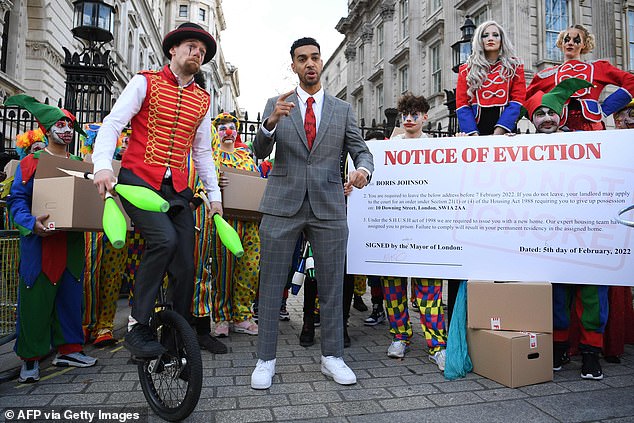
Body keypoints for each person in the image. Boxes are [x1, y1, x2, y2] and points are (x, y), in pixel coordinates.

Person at [91, 22, 223, 358]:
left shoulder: (202, 100)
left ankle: (174, 339)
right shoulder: (144, 82)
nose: (198, 53)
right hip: (138, 181)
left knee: (186, 266)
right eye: (192, 46)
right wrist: (103, 165)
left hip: (177, 190)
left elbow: (203, 152)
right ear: (173, 50)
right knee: (163, 240)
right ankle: (138, 324)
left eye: (203, 51)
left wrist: (215, 197)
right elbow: (112, 124)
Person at [250, 37, 373, 390]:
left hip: (329, 205)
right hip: (281, 204)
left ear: (321, 63)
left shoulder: (342, 109)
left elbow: (361, 152)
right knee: (271, 284)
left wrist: (363, 171)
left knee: (333, 285)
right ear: (293, 66)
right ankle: (265, 359)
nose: (309, 63)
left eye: (314, 58)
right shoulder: (278, 104)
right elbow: (259, 151)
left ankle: (332, 357)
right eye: (301, 59)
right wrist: (270, 122)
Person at [5, 94, 96, 383]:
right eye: (60, 125)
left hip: (70, 244)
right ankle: (30, 358)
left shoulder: (81, 164)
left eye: (70, 125)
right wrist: (31, 223)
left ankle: (68, 349)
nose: (67, 130)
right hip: (39, 244)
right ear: (47, 130)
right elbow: (16, 200)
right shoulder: (30, 163)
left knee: (70, 297)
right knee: (35, 299)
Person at [524, 77, 609, 379]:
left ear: (560, 116)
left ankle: (590, 354)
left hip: (586, 232)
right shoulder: (522, 150)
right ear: (532, 119)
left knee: (591, 294)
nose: (546, 119)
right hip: (547, 236)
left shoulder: (587, 143)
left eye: (551, 113)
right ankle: (558, 349)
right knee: (555, 295)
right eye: (540, 114)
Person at [379, 93, 447, 371]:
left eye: (414, 114)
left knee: (429, 290)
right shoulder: (387, 149)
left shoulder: (436, 149)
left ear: (425, 117)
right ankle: (399, 336)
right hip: (395, 228)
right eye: (405, 114)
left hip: (426, 230)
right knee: (393, 288)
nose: (408, 119)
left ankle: (437, 345)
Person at [526, 24, 634, 131]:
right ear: (561, 42)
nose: (570, 43)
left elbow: (631, 81)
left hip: (592, 128)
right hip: (560, 129)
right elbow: (524, 100)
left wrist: (605, 109)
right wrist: (541, 120)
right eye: (566, 39)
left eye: (576, 40)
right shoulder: (546, 75)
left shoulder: (599, 68)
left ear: (584, 44)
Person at [209, 112, 260, 338]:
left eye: (231, 128)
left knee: (250, 268)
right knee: (223, 268)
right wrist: (214, 182)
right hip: (224, 220)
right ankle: (221, 316)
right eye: (222, 129)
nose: (227, 132)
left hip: (250, 222)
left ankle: (242, 315)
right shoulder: (211, 157)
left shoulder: (246, 157)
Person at [456, 20, 525, 136]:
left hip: (504, 130)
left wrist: (499, 131)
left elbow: (518, 100)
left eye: (495, 35)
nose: (490, 38)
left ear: (502, 39)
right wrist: (473, 135)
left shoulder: (515, 67)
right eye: (485, 35)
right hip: (475, 131)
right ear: (479, 40)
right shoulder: (466, 69)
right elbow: (462, 104)